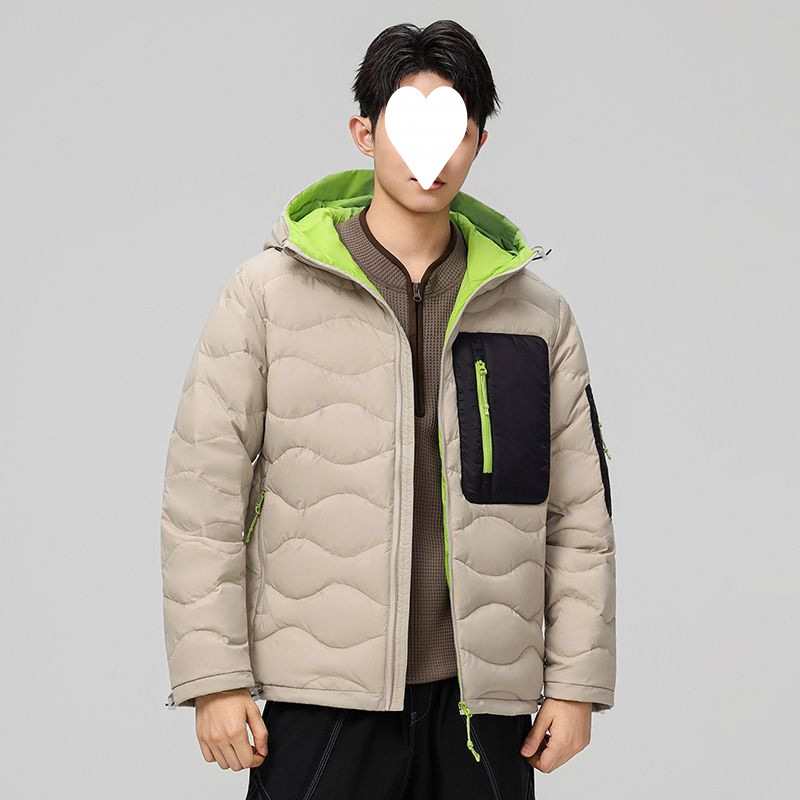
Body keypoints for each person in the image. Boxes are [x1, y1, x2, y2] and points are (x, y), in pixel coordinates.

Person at [159, 19, 616, 800]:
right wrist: (214, 677)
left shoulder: (536, 315)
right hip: (319, 699)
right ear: (364, 134)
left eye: (455, 131)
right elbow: (202, 495)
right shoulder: (266, 295)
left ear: (478, 143)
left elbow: (579, 513)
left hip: (482, 708)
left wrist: (575, 684)